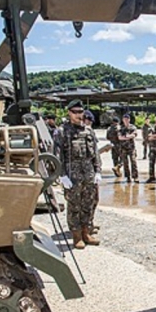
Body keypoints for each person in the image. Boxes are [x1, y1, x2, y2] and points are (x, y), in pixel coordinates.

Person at [53, 99, 101, 249]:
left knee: (88, 203)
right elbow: (57, 155)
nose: (78, 115)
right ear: (69, 113)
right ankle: (76, 236)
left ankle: (87, 232)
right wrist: (62, 175)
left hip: (88, 174)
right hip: (72, 175)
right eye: (75, 112)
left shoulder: (88, 131)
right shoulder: (62, 132)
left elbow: (96, 154)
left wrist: (98, 170)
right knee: (74, 206)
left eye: (80, 112)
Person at [118, 113, 139, 183]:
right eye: (124, 119)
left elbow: (134, 134)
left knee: (133, 161)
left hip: (131, 148)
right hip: (123, 148)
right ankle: (128, 177)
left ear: (129, 120)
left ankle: (135, 177)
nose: (126, 120)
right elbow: (119, 137)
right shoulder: (120, 128)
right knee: (125, 163)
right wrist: (128, 137)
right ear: (123, 120)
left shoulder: (132, 127)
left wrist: (127, 136)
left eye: (127, 119)